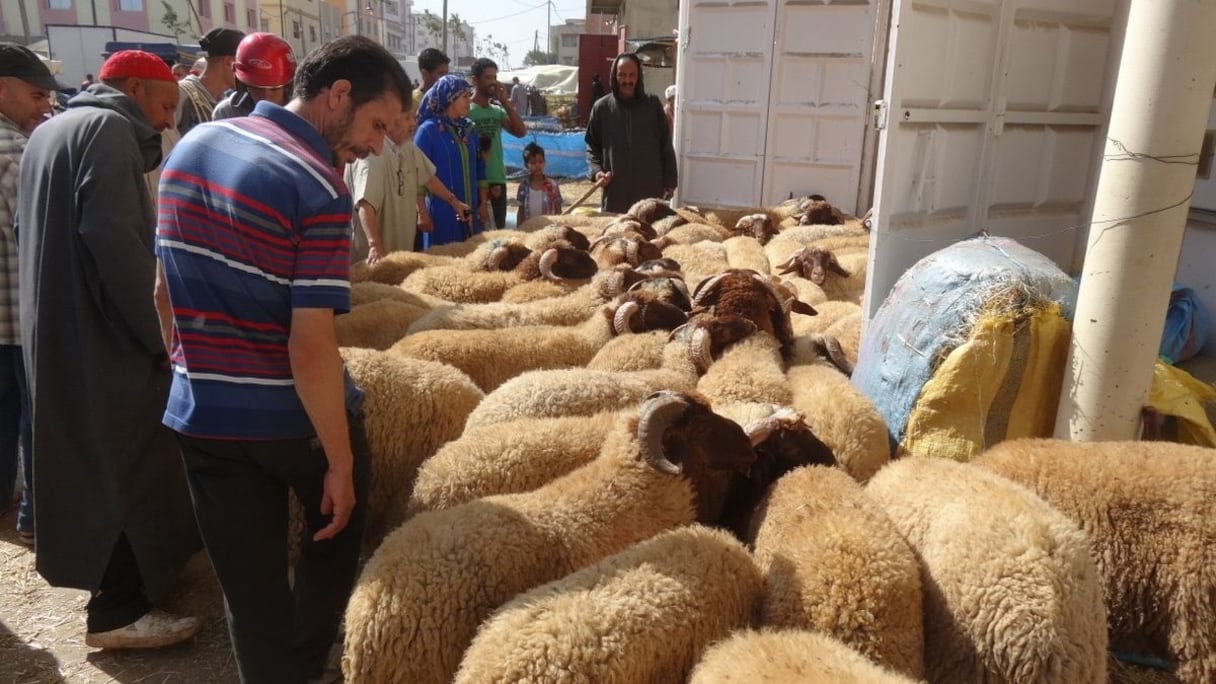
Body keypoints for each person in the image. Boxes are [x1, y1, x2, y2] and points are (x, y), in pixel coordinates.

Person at [155, 35, 408, 683]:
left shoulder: (192, 146)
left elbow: (161, 292)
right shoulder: (315, 184)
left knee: (249, 593)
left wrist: (190, 372)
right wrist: (342, 463)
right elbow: (311, 347)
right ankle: (304, 663)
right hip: (292, 421)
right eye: (377, 124)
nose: (376, 146)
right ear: (338, 94)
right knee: (335, 531)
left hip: (201, 415)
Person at [18, 49, 201, 650]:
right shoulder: (108, 129)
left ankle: (126, 590)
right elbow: (115, 241)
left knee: (88, 462)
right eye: (166, 103)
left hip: (58, 326)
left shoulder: (52, 130)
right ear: (132, 88)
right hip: (106, 333)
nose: (169, 120)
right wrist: (161, 336)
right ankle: (118, 611)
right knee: (129, 462)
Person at [0, 43, 62, 545]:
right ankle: (35, 519)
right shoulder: (20, 154)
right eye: (37, 95)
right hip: (19, 316)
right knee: (34, 419)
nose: (45, 106)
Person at [346, 102, 470, 263]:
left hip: (398, 255)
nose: (413, 123)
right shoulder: (372, 155)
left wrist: (455, 203)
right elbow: (365, 205)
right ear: (390, 120)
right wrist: (375, 245)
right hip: (373, 261)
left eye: (414, 117)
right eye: (407, 118)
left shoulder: (406, 148)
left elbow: (429, 179)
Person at [585, 53, 678, 213]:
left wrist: (670, 180)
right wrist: (597, 171)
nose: (627, 80)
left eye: (632, 75)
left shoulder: (652, 105)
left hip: (649, 194)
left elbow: (665, 145)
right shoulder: (602, 108)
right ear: (614, 76)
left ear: (639, 77)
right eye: (622, 75)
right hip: (616, 194)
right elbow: (592, 146)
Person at [414, 74, 487, 248]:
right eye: (464, 96)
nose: (469, 101)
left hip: (471, 210)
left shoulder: (469, 129)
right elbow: (418, 175)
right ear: (450, 98)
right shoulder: (428, 131)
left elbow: (480, 168)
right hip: (441, 212)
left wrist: (484, 203)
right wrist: (422, 212)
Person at [468, 58, 526, 229]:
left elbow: (521, 132)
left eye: (495, 77)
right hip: (476, 180)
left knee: (499, 230)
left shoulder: (497, 111)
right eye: (488, 78)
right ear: (475, 80)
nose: (493, 82)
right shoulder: (465, 110)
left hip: (498, 178)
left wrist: (505, 102)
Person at [213, 32, 296, 120]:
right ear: (243, 85)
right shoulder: (227, 113)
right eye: (258, 88)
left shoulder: (303, 113)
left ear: (288, 86)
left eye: (274, 89)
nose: (265, 97)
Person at [177, 27, 245, 136]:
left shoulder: (227, 106)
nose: (247, 72)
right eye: (243, 63)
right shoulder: (181, 95)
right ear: (229, 63)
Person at [515, 141, 563, 225]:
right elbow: (521, 211)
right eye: (533, 163)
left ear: (544, 162)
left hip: (548, 229)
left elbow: (558, 209)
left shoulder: (552, 185)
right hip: (529, 230)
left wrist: (558, 226)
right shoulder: (523, 186)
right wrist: (519, 230)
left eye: (540, 162)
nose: (537, 165)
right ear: (526, 165)